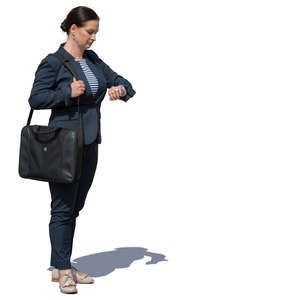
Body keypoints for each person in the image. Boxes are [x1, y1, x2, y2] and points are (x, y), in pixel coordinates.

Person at [28, 6, 136, 294]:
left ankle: (61, 263)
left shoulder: (92, 59)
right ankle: (63, 270)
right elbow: (36, 98)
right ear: (73, 30)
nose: (94, 38)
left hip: (90, 141)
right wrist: (66, 93)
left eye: (96, 33)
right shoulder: (53, 62)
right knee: (63, 208)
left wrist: (120, 91)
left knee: (75, 207)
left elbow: (123, 82)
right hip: (63, 144)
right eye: (90, 32)